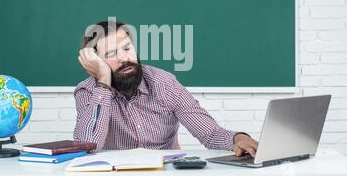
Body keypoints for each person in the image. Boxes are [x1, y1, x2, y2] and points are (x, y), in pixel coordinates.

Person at [74, 20, 258, 156]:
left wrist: (238, 138)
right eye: (112, 54)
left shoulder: (163, 83)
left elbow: (209, 133)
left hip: (165, 175)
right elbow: (88, 145)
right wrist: (103, 80)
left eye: (127, 48)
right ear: (96, 62)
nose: (124, 58)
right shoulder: (88, 91)